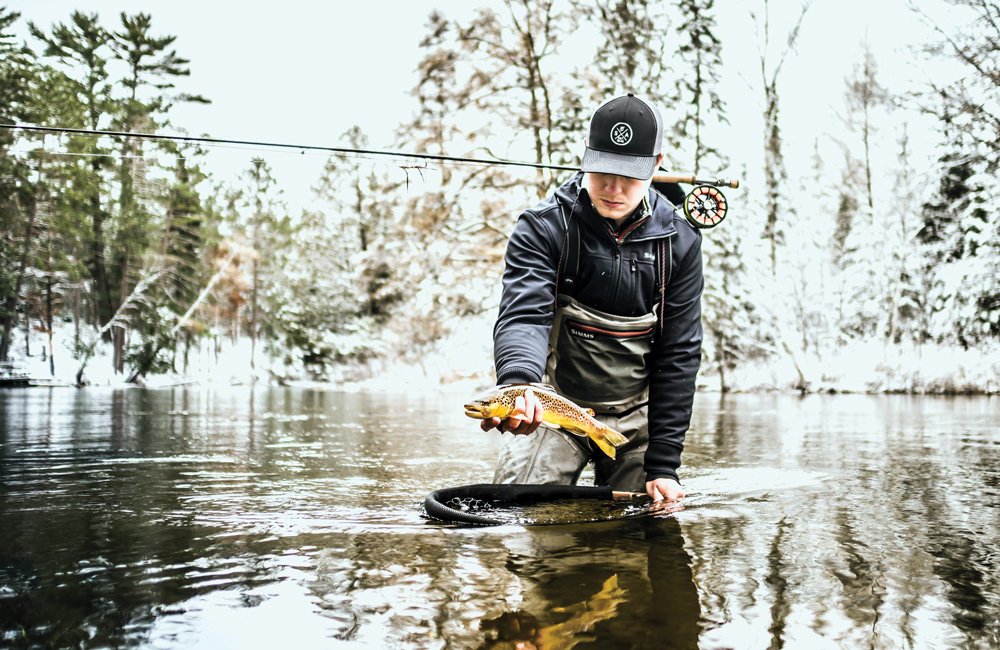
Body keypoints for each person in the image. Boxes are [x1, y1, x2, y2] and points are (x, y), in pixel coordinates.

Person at [483, 92, 703, 503]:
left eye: (630, 175)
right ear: (586, 156)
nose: (614, 188)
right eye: (602, 170)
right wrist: (519, 386)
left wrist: (664, 464)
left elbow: (679, 353)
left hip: (638, 416)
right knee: (522, 520)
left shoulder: (681, 242)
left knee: (641, 540)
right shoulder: (543, 227)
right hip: (552, 406)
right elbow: (524, 316)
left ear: (656, 166)